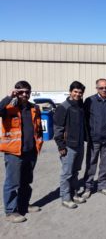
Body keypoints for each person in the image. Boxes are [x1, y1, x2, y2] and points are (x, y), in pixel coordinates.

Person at [1, 81, 43, 223]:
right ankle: (11, 211)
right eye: (21, 91)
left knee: (26, 181)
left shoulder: (34, 108)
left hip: (30, 151)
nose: (24, 94)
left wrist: (39, 144)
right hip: (14, 152)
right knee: (12, 183)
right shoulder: (9, 107)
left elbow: (38, 129)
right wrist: (8, 97)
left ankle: (24, 205)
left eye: (27, 91)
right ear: (16, 92)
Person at [83, 79, 106, 198]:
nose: (104, 90)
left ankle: (102, 186)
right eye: (101, 88)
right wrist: (88, 135)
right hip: (94, 140)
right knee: (91, 163)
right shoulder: (90, 101)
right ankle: (88, 187)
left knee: (105, 164)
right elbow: (85, 119)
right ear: (96, 88)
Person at [54, 81, 87, 209]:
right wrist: (61, 146)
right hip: (68, 146)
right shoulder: (63, 107)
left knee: (75, 171)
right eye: (75, 92)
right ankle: (65, 198)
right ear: (70, 91)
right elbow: (58, 128)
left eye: (80, 92)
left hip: (79, 144)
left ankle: (74, 194)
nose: (77, 94)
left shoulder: (80, 106)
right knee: (66, 173)